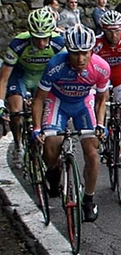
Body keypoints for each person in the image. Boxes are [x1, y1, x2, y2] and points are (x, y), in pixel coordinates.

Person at [32, 26, 110, 221]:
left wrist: (100, 124)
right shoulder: (55, 65)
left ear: (92, 50)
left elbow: (101, 100)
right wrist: (37, 128)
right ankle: (53, 169)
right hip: (58, 102)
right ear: (68, 50)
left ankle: (89, 199)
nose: (80, 59)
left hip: (83, 103)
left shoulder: (101, 67)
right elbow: (39, 99)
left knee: (92, 152)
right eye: (75, 53)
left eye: (85, 53)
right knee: (51, 145)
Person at [1, 10, 65, 136]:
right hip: (21, 75)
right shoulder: (18, 43)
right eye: (36, 38)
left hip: (44, 76)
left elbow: (64, 74)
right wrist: (0, 104)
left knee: (46, 113)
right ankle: (18, 144)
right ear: (30, 34)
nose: (41, 43)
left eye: (45, 38)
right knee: (16, 113)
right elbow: (3, 78)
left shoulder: (59, 43)